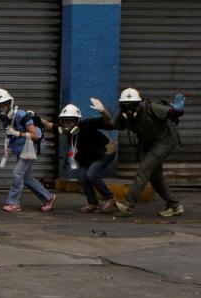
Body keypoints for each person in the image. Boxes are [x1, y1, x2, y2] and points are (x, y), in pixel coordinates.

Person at [91, 88, 185, 218]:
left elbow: (172, 113)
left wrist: (178, 110)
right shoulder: (124, 114)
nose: (128, 109)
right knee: (155, 178)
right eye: (124, 105)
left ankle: (128, 205)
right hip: (149, 144)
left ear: (138, 103)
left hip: (165, 141)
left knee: (143, 170)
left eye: (132, 105)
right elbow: (112, 125)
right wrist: (103, 112)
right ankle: (174, 206)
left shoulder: (151, 107)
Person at [0, 88, 54, 213]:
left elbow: (35, 135)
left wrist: (17, 133)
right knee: (27, 177)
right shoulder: (3, 116)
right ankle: (48, 197)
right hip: (21, 148)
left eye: (4, 105)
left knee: (17, 173)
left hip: (32, 147)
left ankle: (13, 203)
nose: (1, 108)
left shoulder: (22, 115)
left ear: (9, 103)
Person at [57, 104, 117, 213]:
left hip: (105, 151)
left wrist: (103, 111)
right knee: (81, 176)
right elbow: (48, 125)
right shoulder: (65, 130)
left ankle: (110, 198)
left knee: (91, 174)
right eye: (64, 121)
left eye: (70, 121)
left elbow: (108, 121)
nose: (67, 124)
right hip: (88, 156)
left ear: (78, 121)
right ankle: (93, 203)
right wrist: (33, 119)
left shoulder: (87, 124)